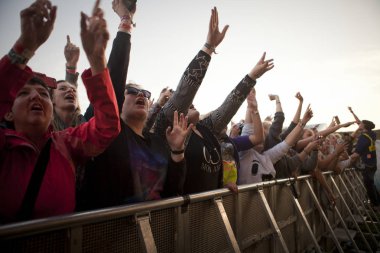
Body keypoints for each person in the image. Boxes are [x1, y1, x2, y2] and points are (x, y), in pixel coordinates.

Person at [0, 0, 120, 223]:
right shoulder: (5, 147)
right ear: (7, 112)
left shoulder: (65, 144)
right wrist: (24, 47)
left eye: (43, 94)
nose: (36, 96)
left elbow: (107, 127)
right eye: (24, 93)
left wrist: (97, 61)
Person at [78, 0, 192, 210]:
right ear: (118, 101)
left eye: (145, 93)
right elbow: (112, 82)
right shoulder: (110, 133)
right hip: (106, 235)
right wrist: (126, 22)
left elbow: (171, 191)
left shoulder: (158, 142)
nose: (140, 94)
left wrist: (177, 152)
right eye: (131, 91)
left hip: (151, 234)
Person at [153, 7, 274, 194]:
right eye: (187, 104)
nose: (191, 103)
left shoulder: (206, 128)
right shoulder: (166, 126)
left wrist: (252, 76)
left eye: (193, 103)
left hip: (211, 213)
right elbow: (185, 92)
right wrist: (209, 47)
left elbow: (229, 106)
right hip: (179, 215)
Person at [352, 120, 379, 208]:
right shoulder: (372, 134)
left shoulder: (363, 137)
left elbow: (357, 153)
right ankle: (377, 202)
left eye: (361, 123)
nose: (359, 124)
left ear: (365, 126)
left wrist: (349, 159)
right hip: (374, 163)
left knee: (369, 185)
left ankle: (375, 205)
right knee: (373, 183)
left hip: (367, 164)